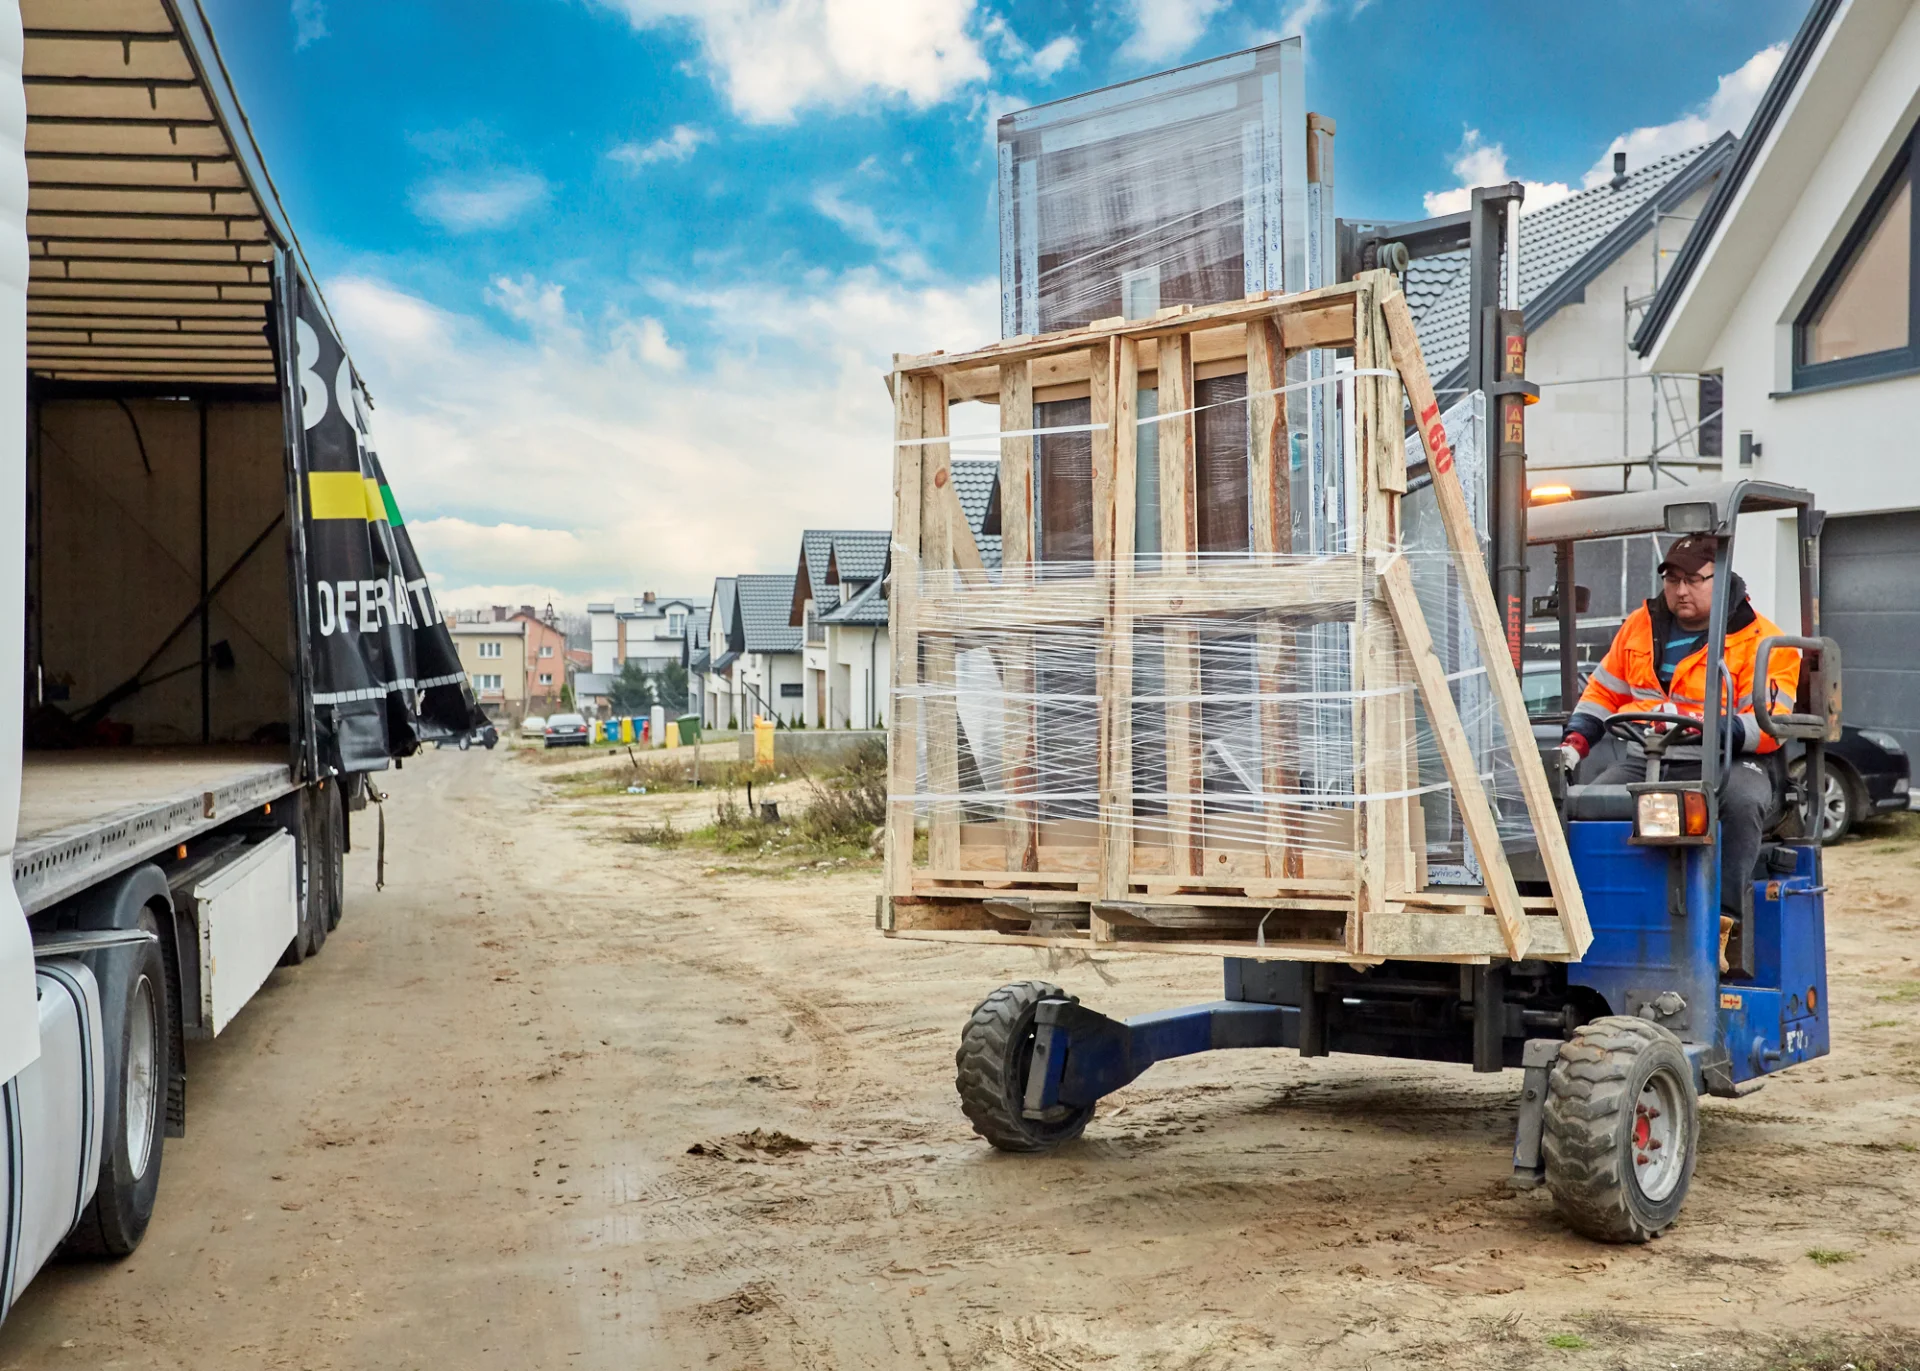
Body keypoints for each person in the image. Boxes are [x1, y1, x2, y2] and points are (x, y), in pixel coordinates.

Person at [1557, 534, 1800, 970]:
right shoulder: (1640, 626)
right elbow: (1603, 692)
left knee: (1742, 804)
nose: (1680, 591)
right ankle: (1589, 921)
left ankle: (1723, 931)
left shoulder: (1764, 640)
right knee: (1584, 806)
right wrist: (1576, 742)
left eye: (1693, 580)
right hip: (1646, 753)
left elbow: (1771, 724)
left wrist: (1714, 728)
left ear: (1721, 578)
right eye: (1672, 579)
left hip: (1727, 757)